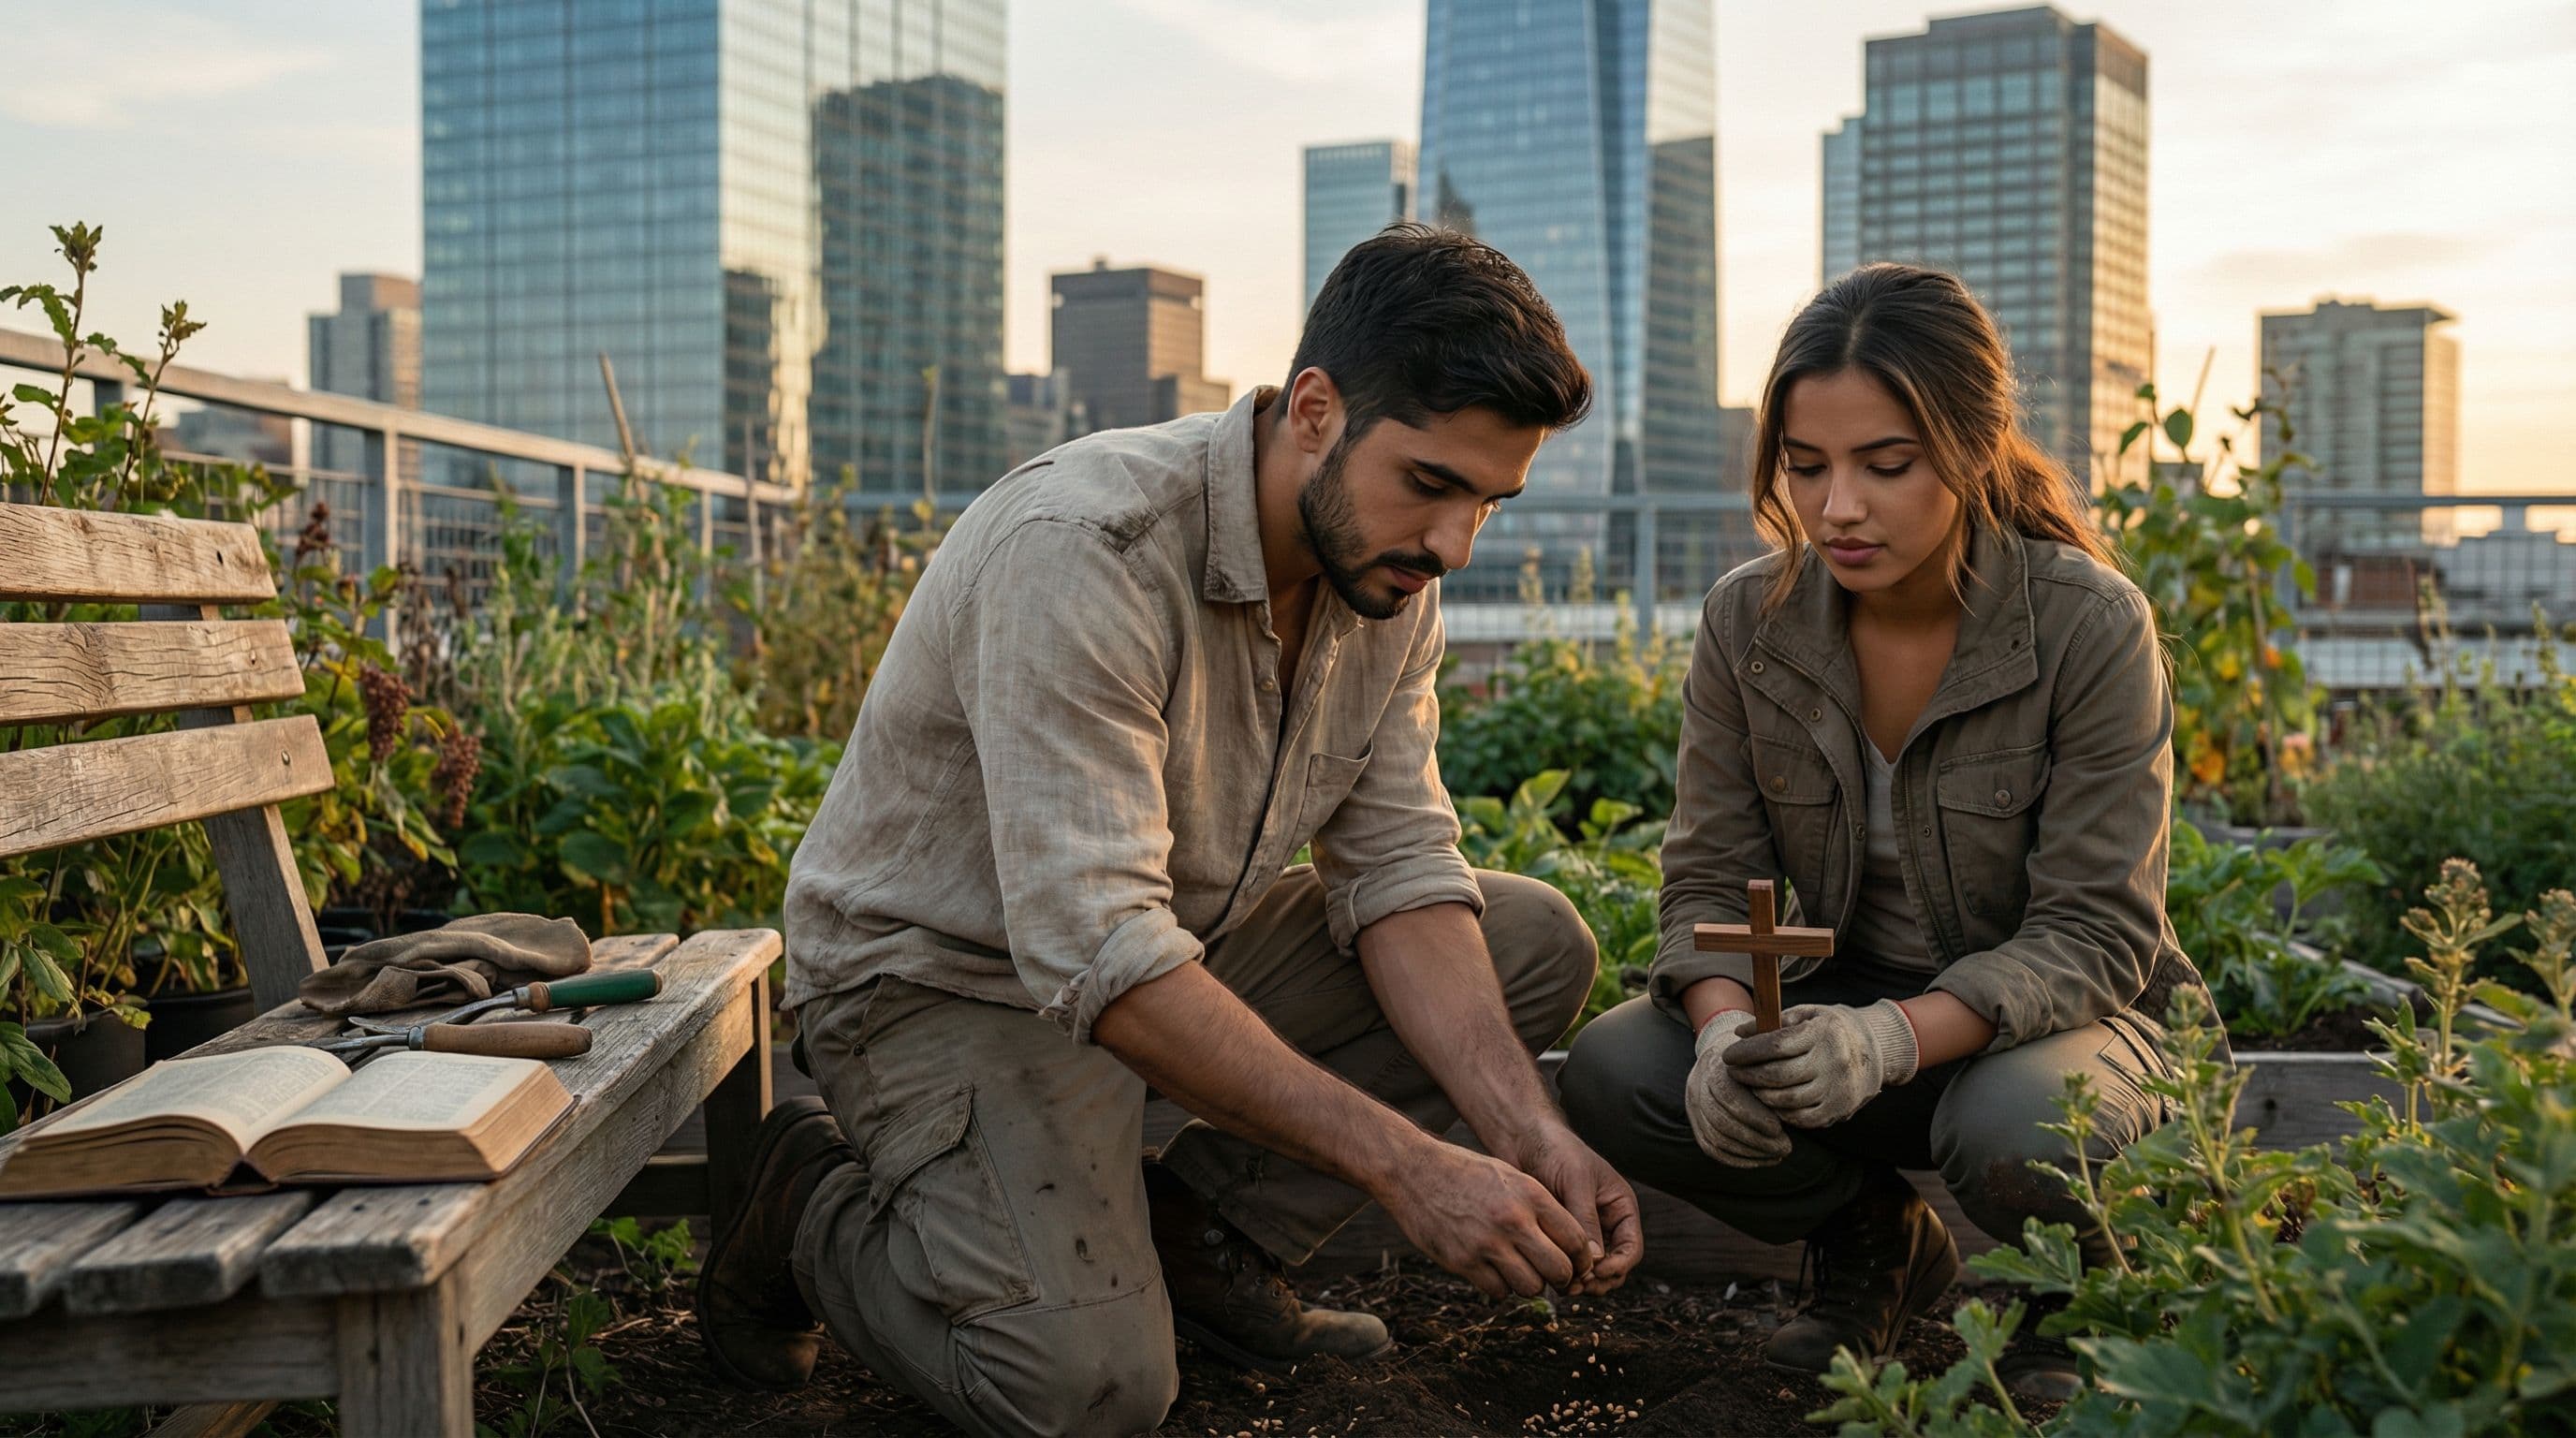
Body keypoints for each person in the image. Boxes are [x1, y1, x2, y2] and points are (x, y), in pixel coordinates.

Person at [696, 224, 1644, 1437]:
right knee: (1081, 1392)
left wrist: (1527, 1133)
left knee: (1529, 941)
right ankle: (805, 1202)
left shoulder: (1385, 579)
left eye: (1489, 504)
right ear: (1315, 410)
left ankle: (1202, 1242)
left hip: (1165, 950)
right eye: (1429, 484)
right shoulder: (1085, 550)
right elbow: (1098, 946)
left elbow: (1399, 868)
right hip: (940, 983)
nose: (1454, 546)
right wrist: (1409, 1168)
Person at [1559, 262, 2213, 1403]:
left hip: (2060, 1032)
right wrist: (1720, 1035)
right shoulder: (1747, 622)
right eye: (1805, 466)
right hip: (1845, 1017)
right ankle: (1876, 1239)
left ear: (1972, 446)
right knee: (1620, 1073)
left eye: (1886, 465)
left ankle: (2080, 1293)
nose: (1837, 509)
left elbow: (2096, 935)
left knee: (2023, 1122)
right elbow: (1707, 876)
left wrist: (1889, 1041)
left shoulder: (2086, 624)